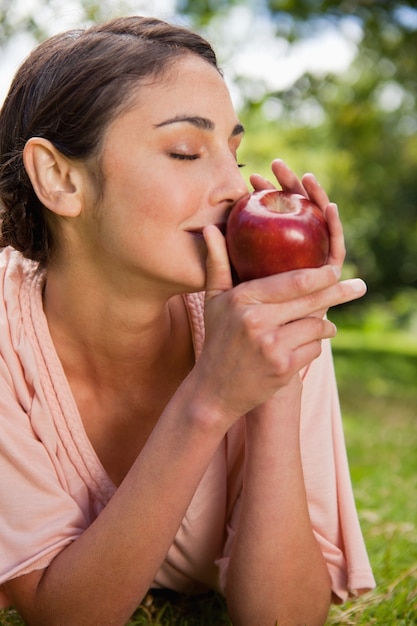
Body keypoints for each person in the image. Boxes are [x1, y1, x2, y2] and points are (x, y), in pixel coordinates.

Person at [0, 15, 375, 626]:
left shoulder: (259, 314)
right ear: (61, 178)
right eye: (185, 151)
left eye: (234, 152)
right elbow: (62, 614)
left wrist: (273, 377)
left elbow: (282, 617)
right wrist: (209, 399)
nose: (234, 187)